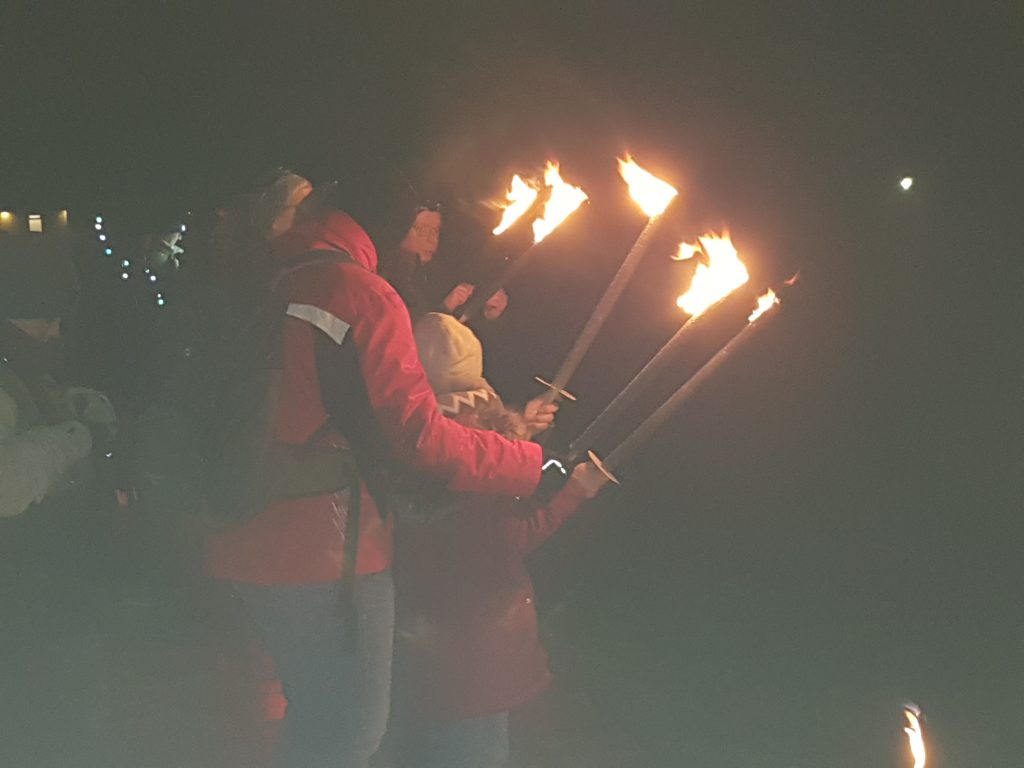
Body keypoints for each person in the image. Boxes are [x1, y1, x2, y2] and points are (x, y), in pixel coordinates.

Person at [205, 204, 561, 768]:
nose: (427, 239)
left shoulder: (266, 275)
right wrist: (526, 463)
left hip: (239, 521)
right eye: (419, 225)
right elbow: (417, 436)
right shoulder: (361, 292)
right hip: (329, 553)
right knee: (348, 734)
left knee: (311, 715)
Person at [394, 312, 611, 768]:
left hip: (419, 631)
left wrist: (522, 428)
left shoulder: (403, 438)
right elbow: (512, 539)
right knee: (473, 750)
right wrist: (575, 493)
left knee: (429, 740)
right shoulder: (481, 461)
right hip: (477, 642)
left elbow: (474, 442)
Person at [0, 233, 118, 766]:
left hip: (47, 591)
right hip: (23, 601)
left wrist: (70, 407)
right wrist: (74, 437)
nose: (53, 332)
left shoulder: (21, 367)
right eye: (42, 318)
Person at [378, 201, 511, 324]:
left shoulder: (434, 272)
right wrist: (446, 307)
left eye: (435, 231)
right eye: (424, 230)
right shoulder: (381, 273)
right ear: (401, 229)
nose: (432, 239)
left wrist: (489, 307)